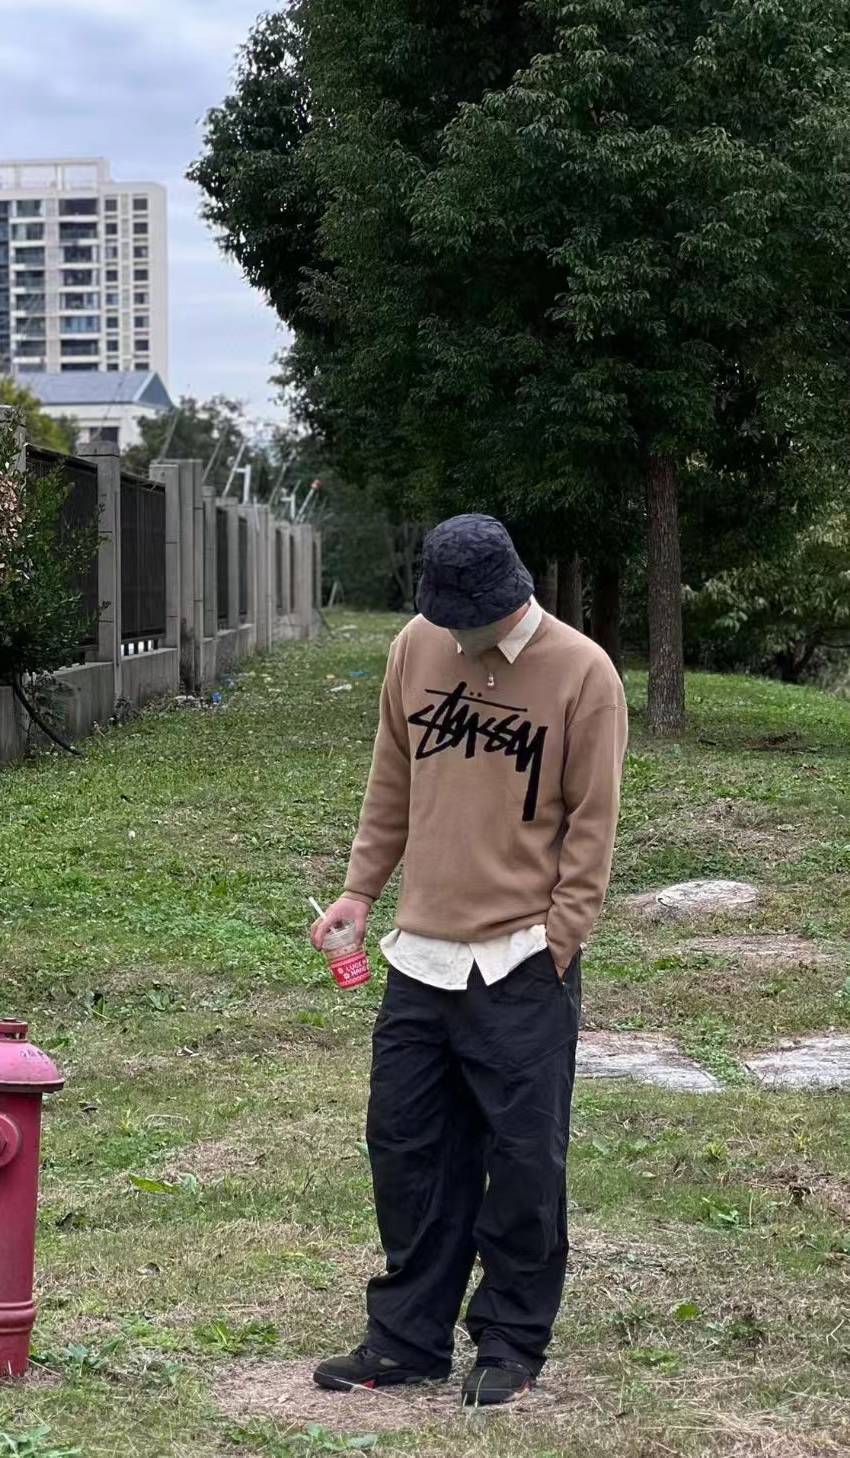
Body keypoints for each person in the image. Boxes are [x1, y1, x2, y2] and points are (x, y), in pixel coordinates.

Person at [310, 514, 628, 1407]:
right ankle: (407, 1339)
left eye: (465, 619)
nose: (451, 632)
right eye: (441, 615)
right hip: (422, 956)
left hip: (522, 959)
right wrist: (360, 892)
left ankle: (511, 1341)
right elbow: (393, 779)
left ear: (510, 597)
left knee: (524, 1164)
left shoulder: (584, 674)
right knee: (406, 1149)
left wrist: (560, 939)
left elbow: (593, 824)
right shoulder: (417, 646)